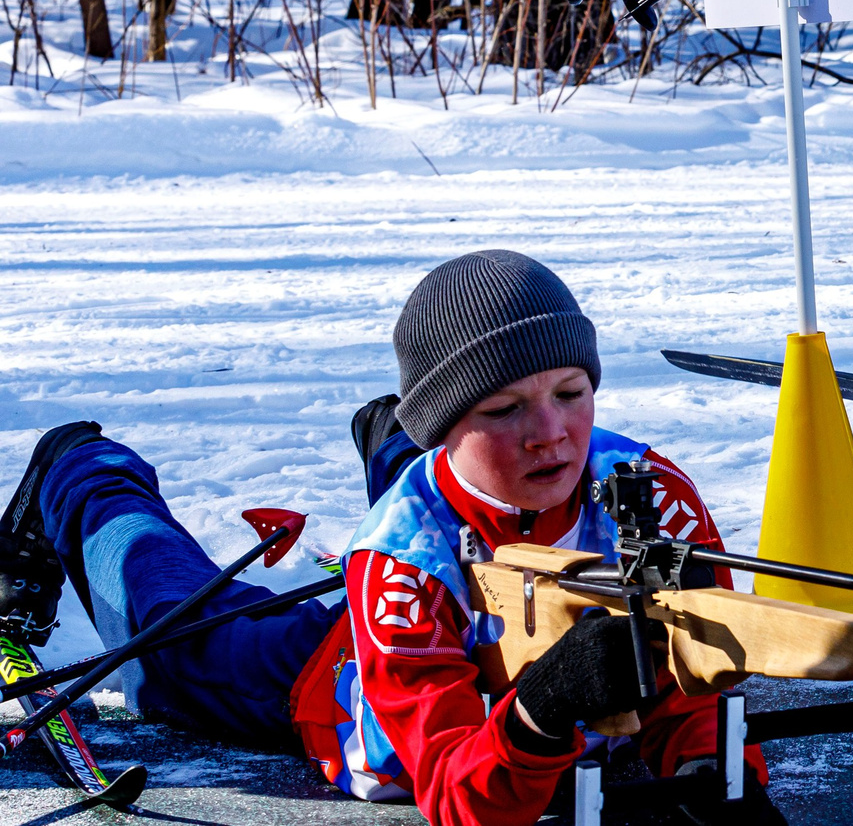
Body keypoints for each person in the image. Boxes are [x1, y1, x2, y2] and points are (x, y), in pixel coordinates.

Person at [0, 251, 782, 824]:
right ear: (445, 422)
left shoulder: (649, 493)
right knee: (169, 636)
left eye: (571, 392)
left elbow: (696, 681)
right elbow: (453, 792)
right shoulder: (400, 557)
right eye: (503, 408)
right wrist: (540, 708)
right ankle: (82, 470)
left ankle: (393, 441)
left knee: (470, 494)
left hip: (454, 552)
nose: (551, 431)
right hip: (337, 684)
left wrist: (715, 774)